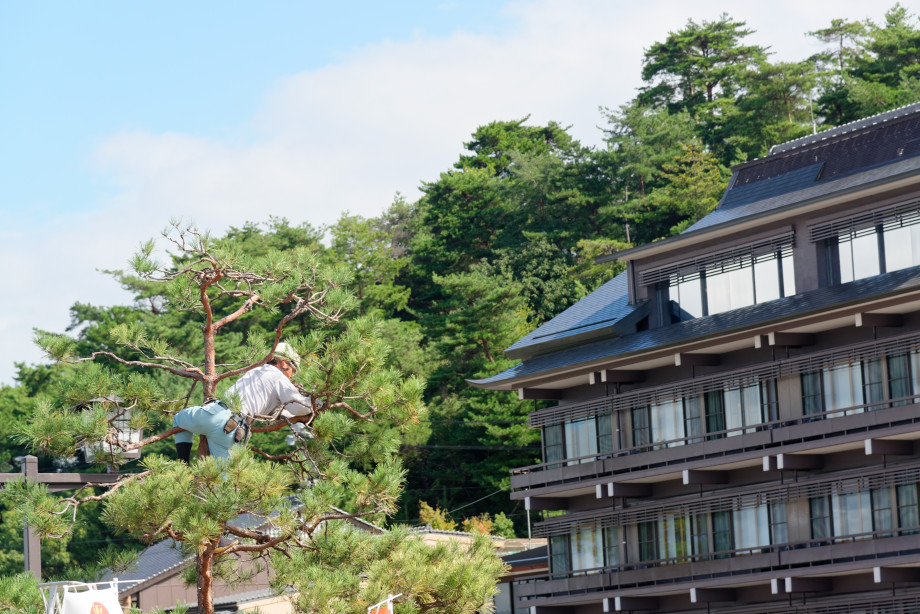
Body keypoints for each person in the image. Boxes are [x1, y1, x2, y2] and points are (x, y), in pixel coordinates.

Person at [172, 342, 313, 462]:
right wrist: (316, 403)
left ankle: (183, 465)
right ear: (283, 363)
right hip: (230, 431)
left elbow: (279, 411)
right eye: (292, 370)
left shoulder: (255, 371)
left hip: (212, 414)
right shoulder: (279, 377)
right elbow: (299, 407)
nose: (292, 376)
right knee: (225, 486)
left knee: (178, 419)